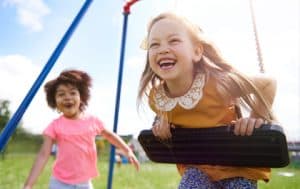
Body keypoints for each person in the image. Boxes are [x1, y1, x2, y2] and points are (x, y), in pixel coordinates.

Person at [137, 12, 277, 189]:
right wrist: (161, 123)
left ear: (196, 52)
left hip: (237, 165)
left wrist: (256, 117)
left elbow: (268, 83)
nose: (163, 49)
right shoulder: (157, 98)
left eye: (173, 41)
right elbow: (170, 116)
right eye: (154, 44)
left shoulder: (217, 85)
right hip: (198, 166)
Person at [23, 69, 140, 189]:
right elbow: (43, 154)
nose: (67, 97)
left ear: (81, 97)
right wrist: (29, 185)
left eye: (72, 93)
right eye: (61, 94)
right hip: (59, 182)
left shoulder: (92, 121)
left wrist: (127, 150)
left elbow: (110, 135)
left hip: (84, 183)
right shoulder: (55, 126)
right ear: (55, 102)